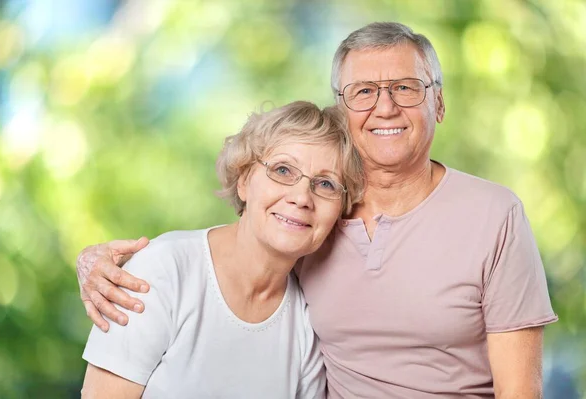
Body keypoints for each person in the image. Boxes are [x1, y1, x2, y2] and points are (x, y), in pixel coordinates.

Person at [77, 22, 558, 398]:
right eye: (364, 91)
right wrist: (96, 263)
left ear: (439, 102)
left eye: (407, 88)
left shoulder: (495, 216)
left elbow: (520, 391)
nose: (385, 106)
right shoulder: (312, 224)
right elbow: (218, 259)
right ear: (343, 109)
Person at [80, 101, 365, 398]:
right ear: (244, 181)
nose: (301, 197)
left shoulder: (307, 323)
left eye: (326, 184)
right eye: (283, 170)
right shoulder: (163, 269)